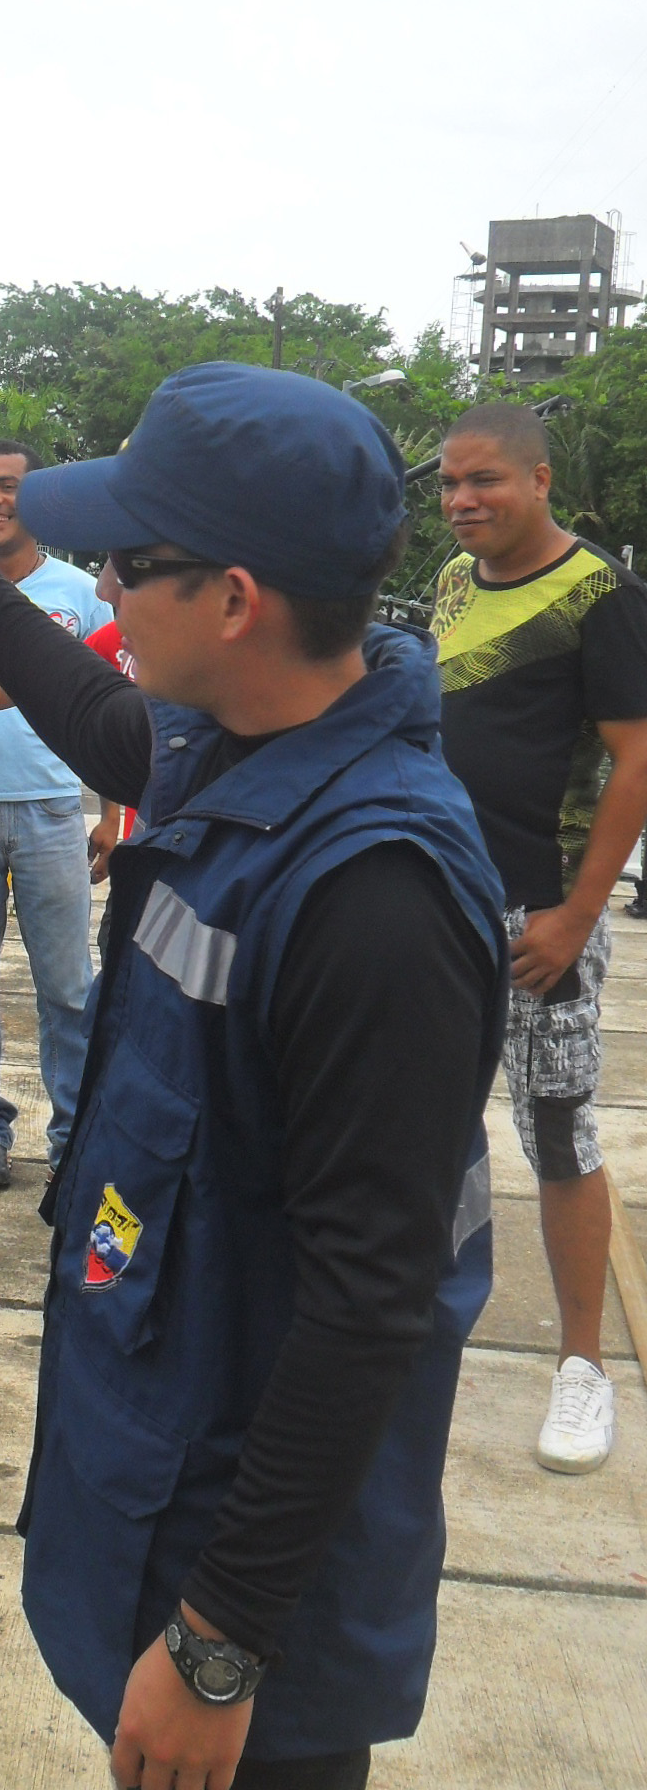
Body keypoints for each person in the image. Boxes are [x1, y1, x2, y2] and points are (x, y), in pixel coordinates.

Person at [0, 362, 507, 1790]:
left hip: (246, 1589)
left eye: (129, 565)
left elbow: (373, 1302)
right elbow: (92, 715)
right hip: (157, 1470)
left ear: (234, 601)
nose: (102, 592)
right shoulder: (221, 744)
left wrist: (221, 1641)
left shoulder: (378, 894)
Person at [434, 403, 647, 1473]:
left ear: (541, 479)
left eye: (486, 481)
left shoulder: (600, 592)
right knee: (417, 1118)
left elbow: (636, 759)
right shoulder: (457, 581)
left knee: (558, 1132)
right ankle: (415, 1323)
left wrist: (576, 913)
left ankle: (582, 1367)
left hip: (539, 916)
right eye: (450, 484)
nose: (464, 500)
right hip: (439, 901)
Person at [0, 438, 114, 1186]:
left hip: (52, 809)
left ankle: (72, 1133)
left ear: (34, 501)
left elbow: (109, 710)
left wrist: (114, 816)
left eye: (8, 485)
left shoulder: (79, 591)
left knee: (67, 986)